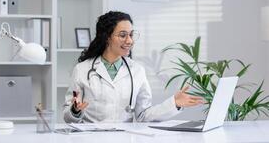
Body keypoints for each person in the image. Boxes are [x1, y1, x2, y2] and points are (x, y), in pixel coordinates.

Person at [63, 11, 203, 123]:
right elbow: (68, 117)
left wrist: (174, 103)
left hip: (124, 138)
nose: (129, 40)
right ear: (107, 37)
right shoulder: (82, 70)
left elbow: (144, 115)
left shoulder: (137, 71)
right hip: (91, 139)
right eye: (123, 35)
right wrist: (75, 111)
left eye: (131, 35)